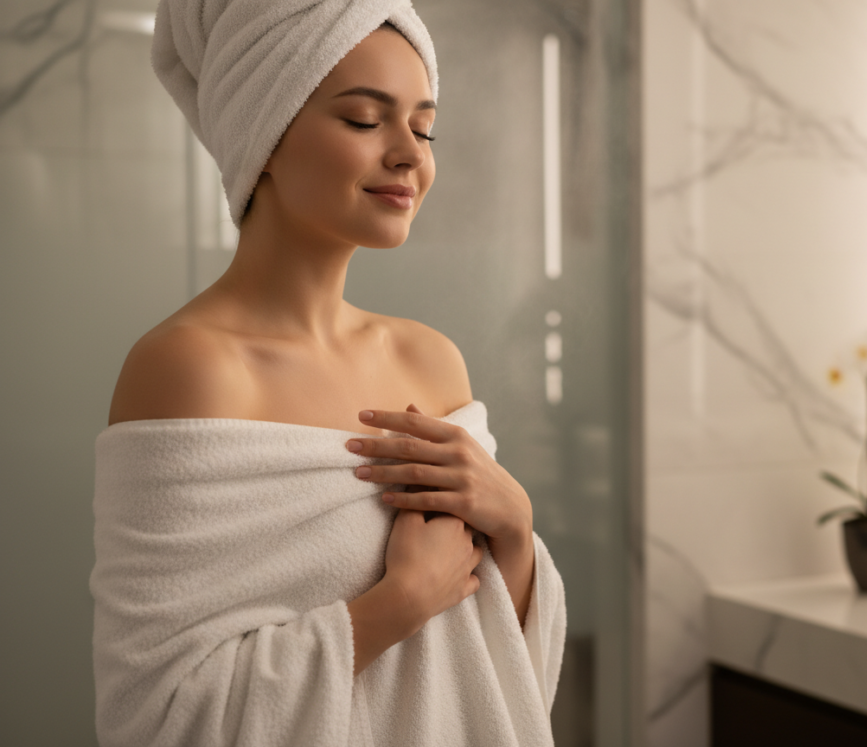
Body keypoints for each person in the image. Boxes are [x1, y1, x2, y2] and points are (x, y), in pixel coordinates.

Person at [90, 2, 566, 745]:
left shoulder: (431, 361)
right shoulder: (189, 370)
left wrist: (515, 527)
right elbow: (158, 715)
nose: (411, 153)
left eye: (424, 124)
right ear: (265, 136)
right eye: (364, 119)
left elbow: (486, 648)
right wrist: (394, 604)